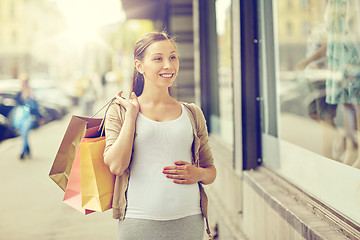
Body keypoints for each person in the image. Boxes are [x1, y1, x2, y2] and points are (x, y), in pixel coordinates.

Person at [103, 32, 217, 240]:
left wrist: (198, 174)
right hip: (138, 221)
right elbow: (116, 166)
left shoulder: (192, 113)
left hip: (189, 220)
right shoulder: (119, 111)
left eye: (172, 57)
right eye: (158, 58)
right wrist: (131, 116)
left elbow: (211, 171)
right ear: (139, 66)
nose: (168, 65)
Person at [13, 74, 44, 160]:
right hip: (21, 117)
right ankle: (28, 149)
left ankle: (22, 153)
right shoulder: (20, 92)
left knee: (24, 133)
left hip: (29, 117)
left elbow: (35, 106)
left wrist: (40, 117)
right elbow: (17, 102)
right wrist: (21, 92)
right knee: (23, 134)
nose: (24, 83)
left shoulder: (31, 92)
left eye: (25, 82)